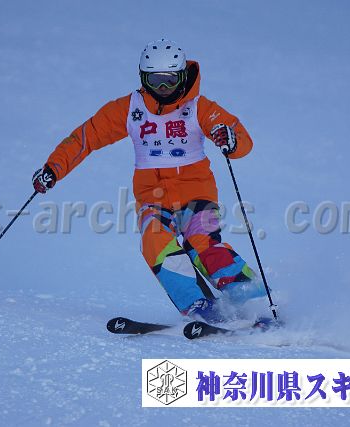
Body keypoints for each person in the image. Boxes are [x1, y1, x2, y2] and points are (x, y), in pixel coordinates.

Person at [32, 39, 265, 323]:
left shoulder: (199, 107)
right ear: (143, 78)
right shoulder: (130, 108)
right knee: (154, 242)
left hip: (197, 194)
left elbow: (240, 138)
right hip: (153, 198)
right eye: (154, 81)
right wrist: (54, 168)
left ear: (182, 76)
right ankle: (199, 306)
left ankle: (254, 300)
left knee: (202, 244)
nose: (163, 88)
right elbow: (85, 137)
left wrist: (230, 139)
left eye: (170, 80)